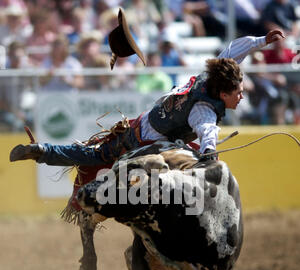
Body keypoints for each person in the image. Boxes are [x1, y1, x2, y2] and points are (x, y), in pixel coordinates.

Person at [9, 8, 285, 166]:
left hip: (140, 123)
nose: (241, 94)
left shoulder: (212, 76)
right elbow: (207, 131)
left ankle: (44, 151)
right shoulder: (204, 110)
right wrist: (210, 152)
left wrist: (261, 41)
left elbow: (232, 51)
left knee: (95, 152)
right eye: (237, 91)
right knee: (103, 156)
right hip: (152, 143)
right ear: (223, 93)